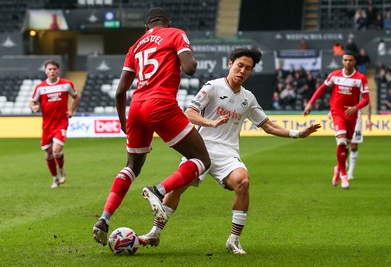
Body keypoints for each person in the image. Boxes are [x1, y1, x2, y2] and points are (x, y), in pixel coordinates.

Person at [138, 48, 321, 254]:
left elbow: (268, 126)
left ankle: (233, 240)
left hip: (228, 153)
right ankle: (154, 232)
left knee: (243, 182)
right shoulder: (212, 87)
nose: (242, 71)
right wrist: (211, 122)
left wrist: (298, 133)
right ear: (230, 64)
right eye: (240, 65)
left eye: (248, 68)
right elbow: (189, 113)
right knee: (177, 190)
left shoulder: (248, 98)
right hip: (201, 148)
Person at [92, 7, 211, 246]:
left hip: (136, 108)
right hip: (162, 105)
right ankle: (158, 190)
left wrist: (123, 122)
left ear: (147, 27)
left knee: (131, 167)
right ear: (167, 22)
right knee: (201, 160)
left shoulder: (135, 46)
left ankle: (104, 218)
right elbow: (190, 68)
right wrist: (188, 58)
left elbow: (120, 91)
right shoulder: (175, 33)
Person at [303, 51, 370, 189]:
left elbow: (367, 99)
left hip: (352, 115)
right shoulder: (335, 75)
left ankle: (338, 169)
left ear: (355, 62)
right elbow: (322, 89)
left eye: (350, 60)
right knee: (341, 143)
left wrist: (356, 108)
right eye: (345, 60)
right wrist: (310, 103)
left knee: (346, 147)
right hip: (337, 112)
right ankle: (344, 176)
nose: (347, 63)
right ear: (342, 61)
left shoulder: (360, 78)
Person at [29, 59, 81, 188]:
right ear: (45, 71)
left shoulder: (66, 84)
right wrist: (33, 107)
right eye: (50, 69)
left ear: (58, 70)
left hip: (61, 122)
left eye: (54, 69)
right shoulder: (40, 87)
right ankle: (55, 178)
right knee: (48, 154)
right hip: (47, 125)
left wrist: (71, 110)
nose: (52, 71)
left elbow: (76, 97)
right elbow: (32, 101)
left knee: (56, 150)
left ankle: (62, 170)